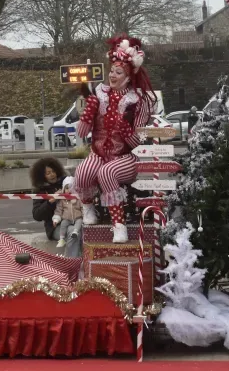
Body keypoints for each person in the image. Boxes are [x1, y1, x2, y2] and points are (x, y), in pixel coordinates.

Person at [74, 35, 157, 243]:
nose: (112, 75)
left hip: (126, 157)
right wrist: (88, 113)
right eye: (111, 71)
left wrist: (126, 129)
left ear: (128, 76)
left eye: (118, 72)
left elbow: (139, 140)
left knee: (107, 172)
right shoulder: (99, 94)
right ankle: (88, 208)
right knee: (82, 173)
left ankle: (119, 225)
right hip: (99, 153)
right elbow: (82, 133)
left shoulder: (138, 101)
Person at [30, 157, 65, 241]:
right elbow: (37, 215)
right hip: (54, 227)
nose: (52, 174)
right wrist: (50, 202)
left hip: (72, 222)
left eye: (53, 171)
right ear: (42, 176)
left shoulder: (66, 183)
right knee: (71, 236)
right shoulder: (40, 191)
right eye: (48, 173)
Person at [53, 175, 83, 257]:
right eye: (66, 188)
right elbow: (59, 210)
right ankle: (62, 239)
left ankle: (72, 258)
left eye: (71, 188)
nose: (69, 190)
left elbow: (83, 208)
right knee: (64, 224)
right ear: (63, 190)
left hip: (77, 219)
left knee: (77, 226)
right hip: (67, 220)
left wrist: (85, 217)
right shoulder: (62, 200)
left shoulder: (78, 199)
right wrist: (56, 219)